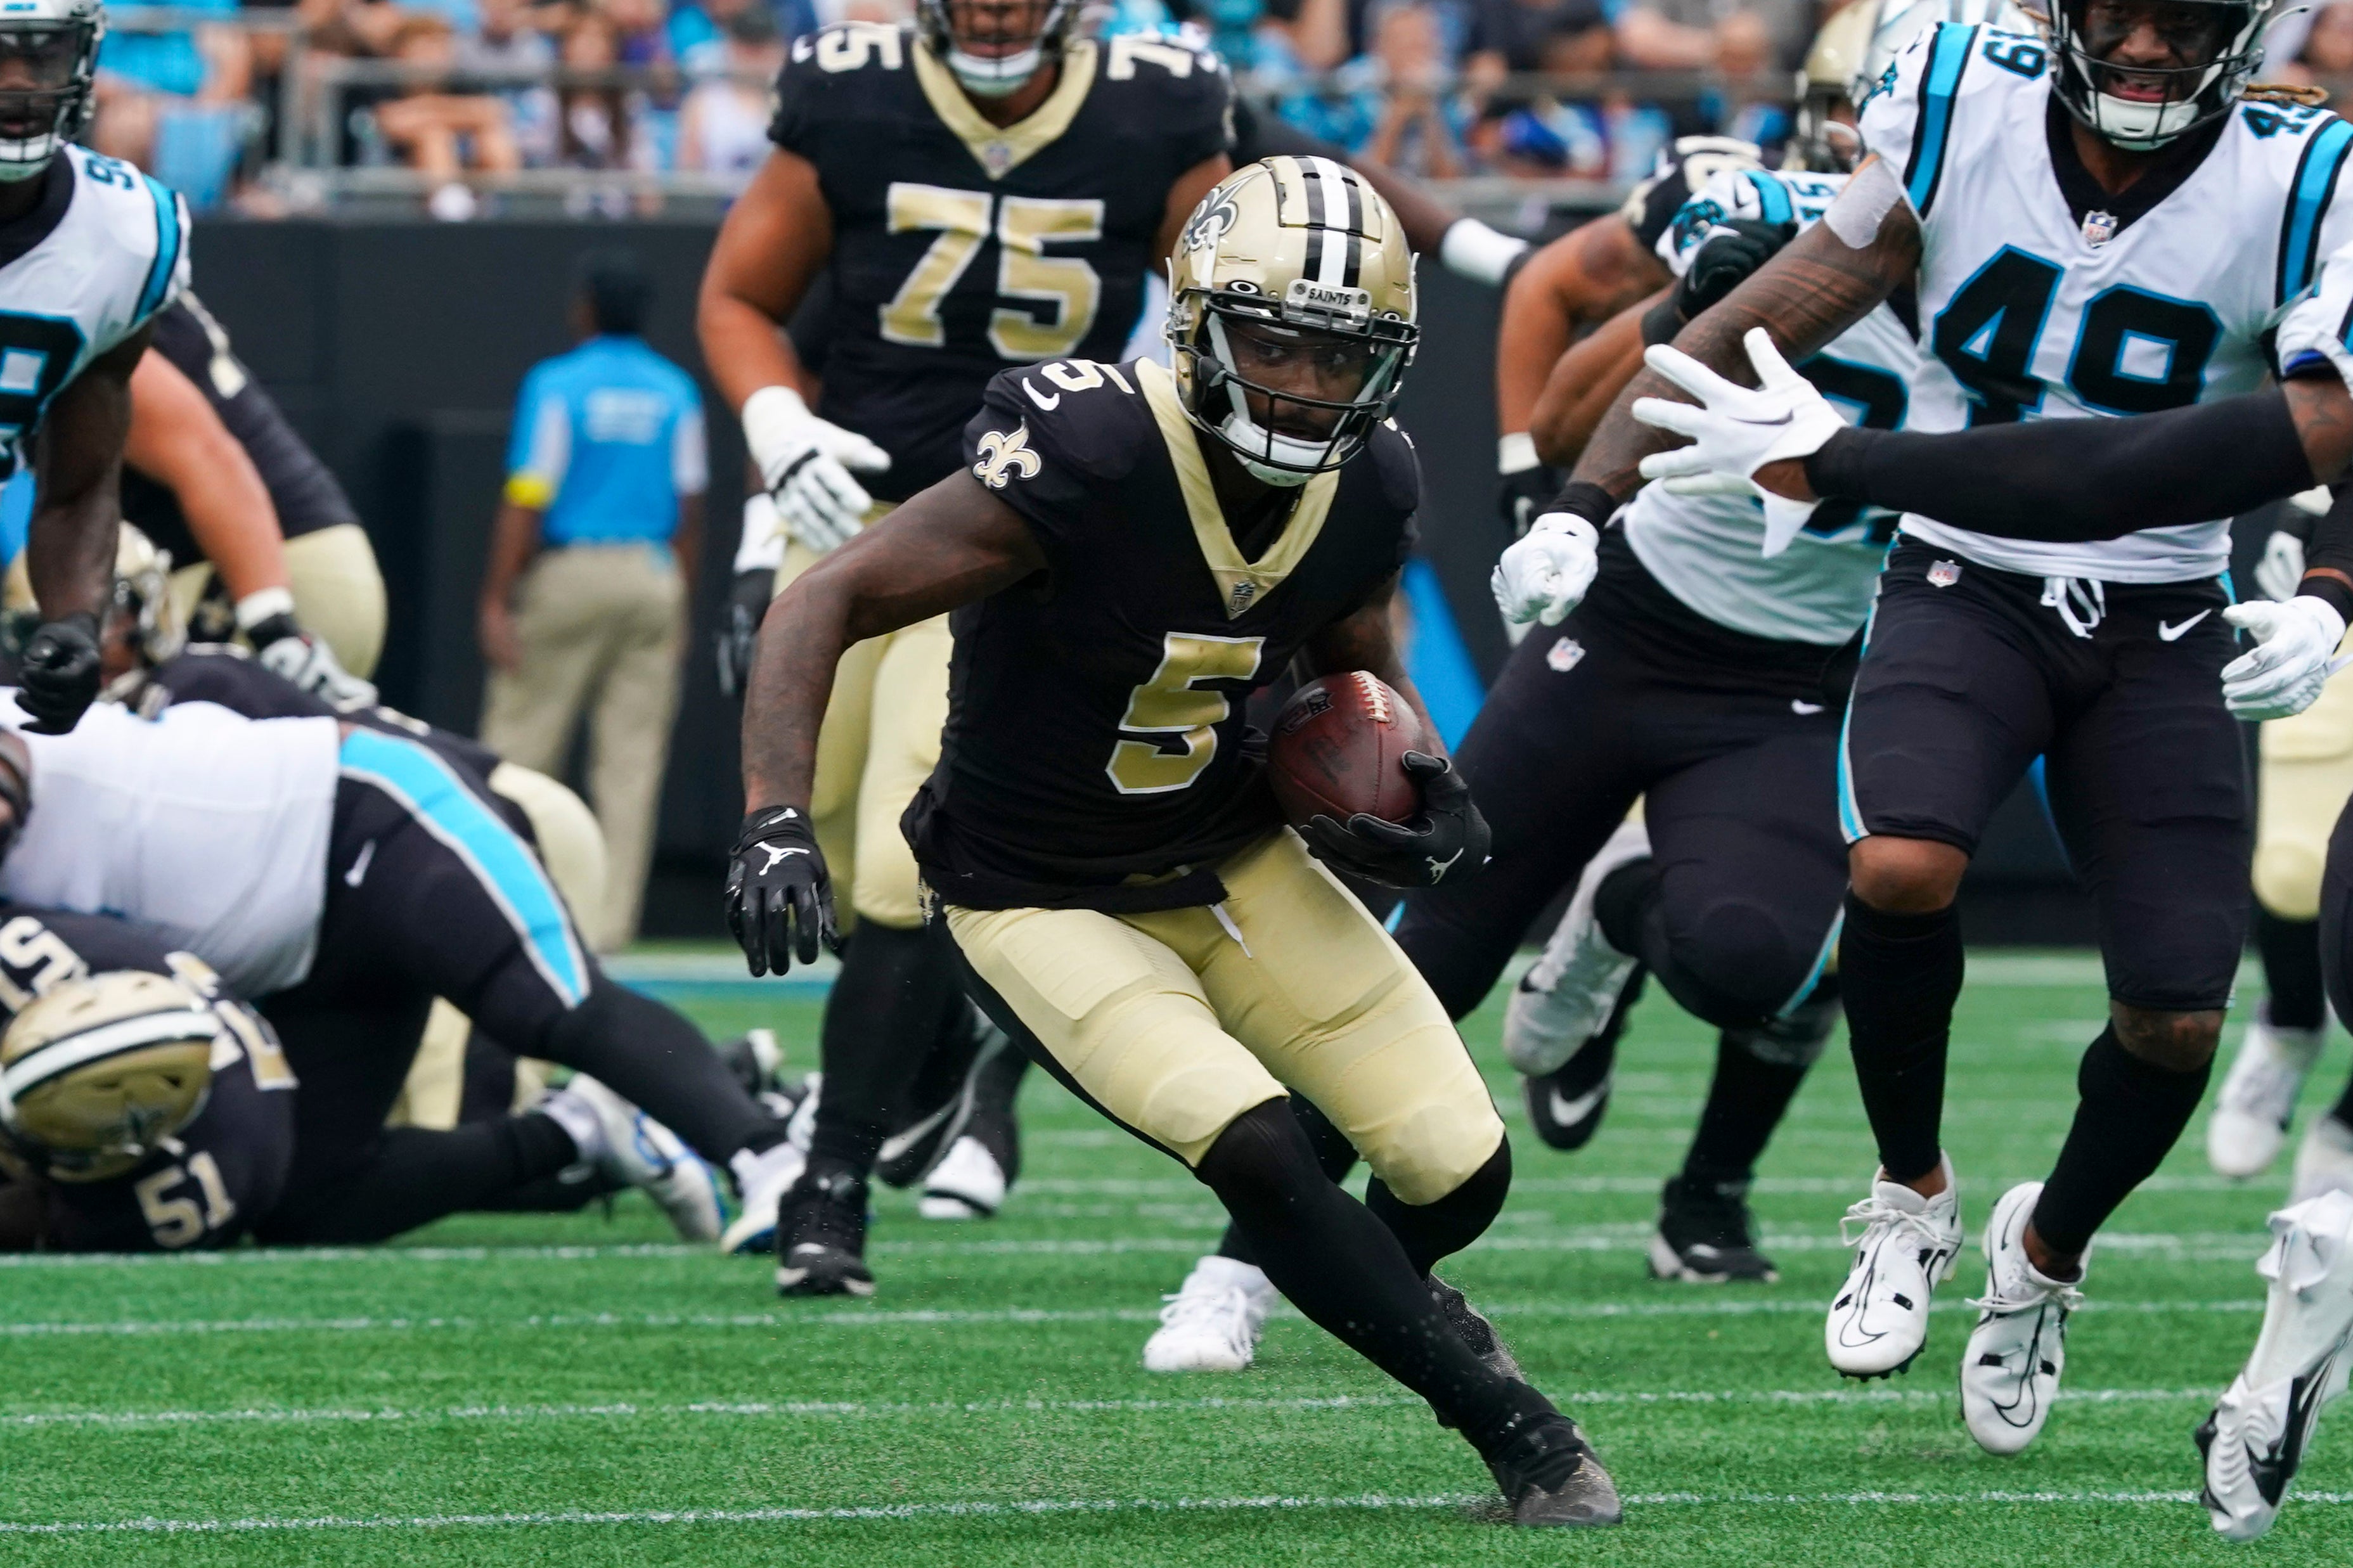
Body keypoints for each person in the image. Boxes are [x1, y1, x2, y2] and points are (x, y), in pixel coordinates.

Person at [728, 155, 1621, 1529]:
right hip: (1033, 889)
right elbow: (830, 599)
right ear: (1193, 322)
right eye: (1268, 342)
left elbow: (1355, 671)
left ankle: (1380, 1298)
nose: (1299, 383)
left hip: (1235, 857)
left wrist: (1411, 780)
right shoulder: (1088, 449)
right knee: (1260, 1153)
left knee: (1460, 1167)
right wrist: (777, 816)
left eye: (1336, 357)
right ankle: (1516, 1430)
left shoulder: (1370, 484)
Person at [1541, 0, 2353, 1457]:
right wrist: (1587, 497)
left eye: (2186, 22)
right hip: (1962, 581)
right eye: (2123, 15)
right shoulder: (1950, 81)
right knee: (1900, 866)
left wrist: (2335, 593)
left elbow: (2202, 455)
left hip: (2164, 611)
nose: (2152, 50)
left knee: (2175, 1012)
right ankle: (1908, 1196)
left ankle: (2041, 1261)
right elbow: (1802, 282)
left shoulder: (2308, 172)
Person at [696, 0, 1233, 1290]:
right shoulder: (850, 88)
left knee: (897, 864)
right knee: (801, 839)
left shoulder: (1157, 103)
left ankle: (830, 1187)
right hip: (852, 507)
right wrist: (778, 432)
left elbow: (1220, 311)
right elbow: (738, 298)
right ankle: (933, 1054)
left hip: (1009, 522)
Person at [0, 684, 803, 1244]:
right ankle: (582, 1128)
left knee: (550, 1005)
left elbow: (8, 785)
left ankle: (771, 1163)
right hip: (296, 963)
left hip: (363, 818)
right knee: (304, 1195)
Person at [0, 918, 721, 1250]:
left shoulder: (209, 1177)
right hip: (273, 945)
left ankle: (573, 1128)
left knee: (315, 1208)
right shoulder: (36, 948)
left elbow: (36, 1225)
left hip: (357, 950)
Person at [479, 248, 706, 953]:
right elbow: (692, 499)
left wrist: (496, 596)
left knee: (519, 749)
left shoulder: (557, 384)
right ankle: (607, 930)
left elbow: (528, 492)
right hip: (650, 573)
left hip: (571, 572)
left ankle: (495, 904)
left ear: (584, 308)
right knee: (630, 766)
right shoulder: (675, 389)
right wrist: (680, 598)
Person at [0, 0, 193, 736]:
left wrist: (74, 622)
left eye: (41, 53)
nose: (18, 82)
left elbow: (78, 483)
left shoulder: (124, 236)